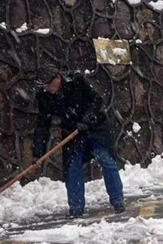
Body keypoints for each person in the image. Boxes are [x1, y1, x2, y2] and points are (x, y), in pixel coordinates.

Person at [33, 69, 124, 219]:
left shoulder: (77, 81)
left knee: (106, 162)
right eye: (44, 87)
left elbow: (97, 100)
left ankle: (118, 202)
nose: (47, 89)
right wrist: (38, 153)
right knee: (72, 169)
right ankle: (76, 209)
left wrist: (87, 119)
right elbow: (42, 125)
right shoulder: (44, 97)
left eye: (49, 85)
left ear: (57, 78)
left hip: (96, 129)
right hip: (72, 134)